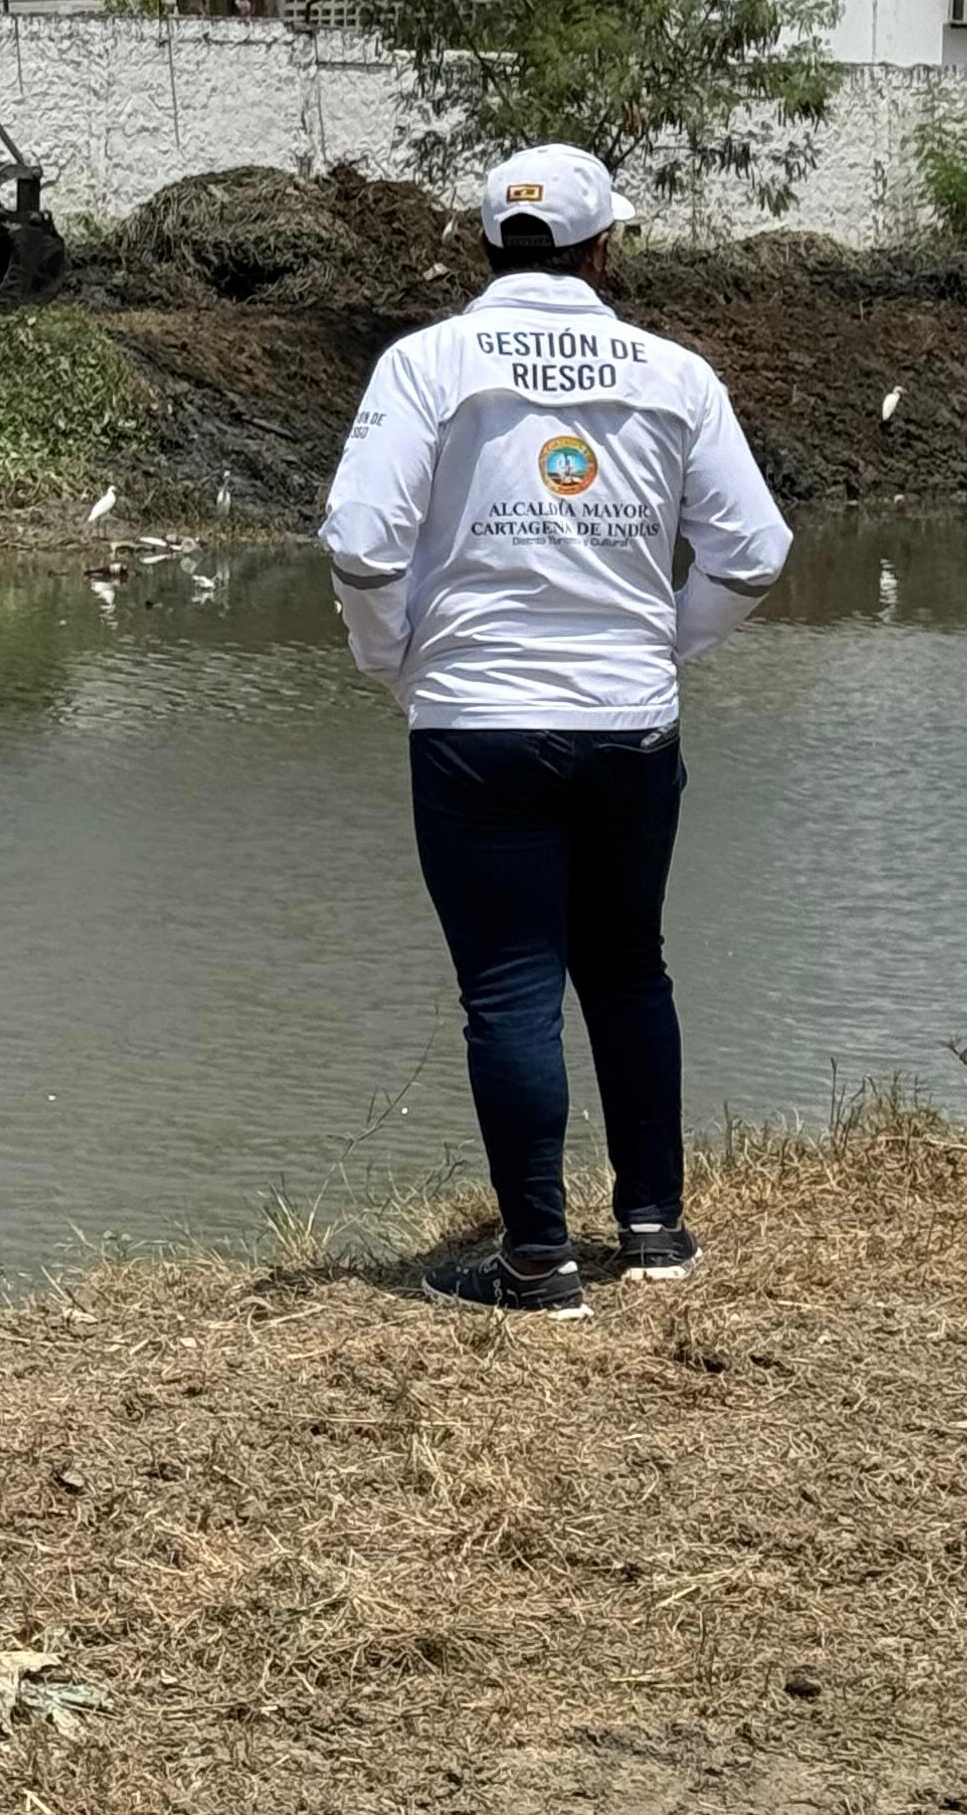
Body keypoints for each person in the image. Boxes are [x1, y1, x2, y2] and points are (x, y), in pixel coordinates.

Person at [318, 143, 790, 1318]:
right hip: (630, 725)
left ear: (486, 244)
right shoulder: (672, 371)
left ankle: (538, 1263)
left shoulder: (427, 362)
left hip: (476, 722)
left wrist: (399, 663)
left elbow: (362, 542)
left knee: (512, 990)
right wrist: (657, 651)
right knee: (628, 969)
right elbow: (757, 552)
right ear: (602, 247)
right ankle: (655, 1229)